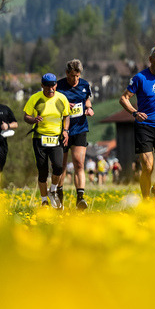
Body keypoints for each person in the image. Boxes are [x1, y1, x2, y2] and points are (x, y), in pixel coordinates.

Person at [118, 44, 155, 208]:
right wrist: (134, 113)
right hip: (144, 128)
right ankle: (146, 202)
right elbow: (123, 98)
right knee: (148, 167)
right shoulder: (140, 78)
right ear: (150, 59)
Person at [23, 74, 71, 208]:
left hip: (56, 138)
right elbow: (26, 116)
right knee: (43, 171)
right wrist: (33, 120)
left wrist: (65, 131)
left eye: (53, 85)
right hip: (39, 138)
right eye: (48, 86)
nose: (51, 88)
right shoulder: (35, 98)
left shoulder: (62, 98)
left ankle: (53, 190)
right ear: (42, 85)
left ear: (56, 85)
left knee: (59, 167)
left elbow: (67, 116)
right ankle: (44, 201)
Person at [58, 59, 94, 209]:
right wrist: (64, 106)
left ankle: (80, 198)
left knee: (79, 163)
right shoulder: (58, 86)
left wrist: (89, 108)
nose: (75, 79)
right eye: (72, 76)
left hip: (80, 128)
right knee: (61, 165)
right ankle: (58, 196)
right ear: (67, 73)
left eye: (77, 76)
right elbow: (52, 104)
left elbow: (87, 100)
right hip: (62, 130)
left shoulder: (84, 85)